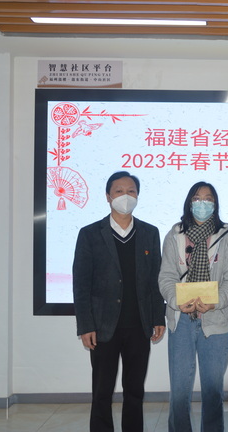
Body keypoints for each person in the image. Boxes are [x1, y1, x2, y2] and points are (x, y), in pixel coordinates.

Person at [72, 171, 166, 432]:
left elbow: (155, 279)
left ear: (138, 196)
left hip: (139, 325)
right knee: (102, 391)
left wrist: (158, 317)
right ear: (108, 196)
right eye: (119, 191)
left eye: (131, 191)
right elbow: (81, 284)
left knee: (134, 390)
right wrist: (85, 325)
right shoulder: (90, 234)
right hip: (103, 327)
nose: (126, 196)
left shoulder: (149, 232)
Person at [159, 181, 228, 432]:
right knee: (179, 392)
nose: (202, 203)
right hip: (181, 320)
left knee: (213, 391)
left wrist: (215, 302)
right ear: (189, 202)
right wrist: (177, 301)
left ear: (215, 204)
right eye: (197, 198)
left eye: (208, 199)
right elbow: (166, 277)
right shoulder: (174, 236)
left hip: (215, 321)